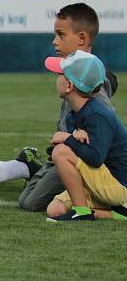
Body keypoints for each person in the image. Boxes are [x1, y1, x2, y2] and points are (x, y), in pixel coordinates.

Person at [19, 3, 119, 212]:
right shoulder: (72, 69)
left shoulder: (89, 82)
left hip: (79, 156)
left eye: (60, 35)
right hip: (64, 151)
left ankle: (88, 194)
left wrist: (76, 138)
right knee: (25, 199)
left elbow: (104, 126)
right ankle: (34, 166)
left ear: (81, 39)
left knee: (31, 203)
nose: (54, 41)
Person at [44, 51, 127, 222]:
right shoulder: (74, 113)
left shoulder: (98, 114)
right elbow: (55, 147)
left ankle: (82, 212)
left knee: (61, 152)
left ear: (69, 85)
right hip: (100, 183)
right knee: (55, 210)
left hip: (118, 186)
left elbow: (95, 158)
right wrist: (72, 137)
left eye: (60, 74)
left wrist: (68, 138)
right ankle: (116, 214)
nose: (56, 77)